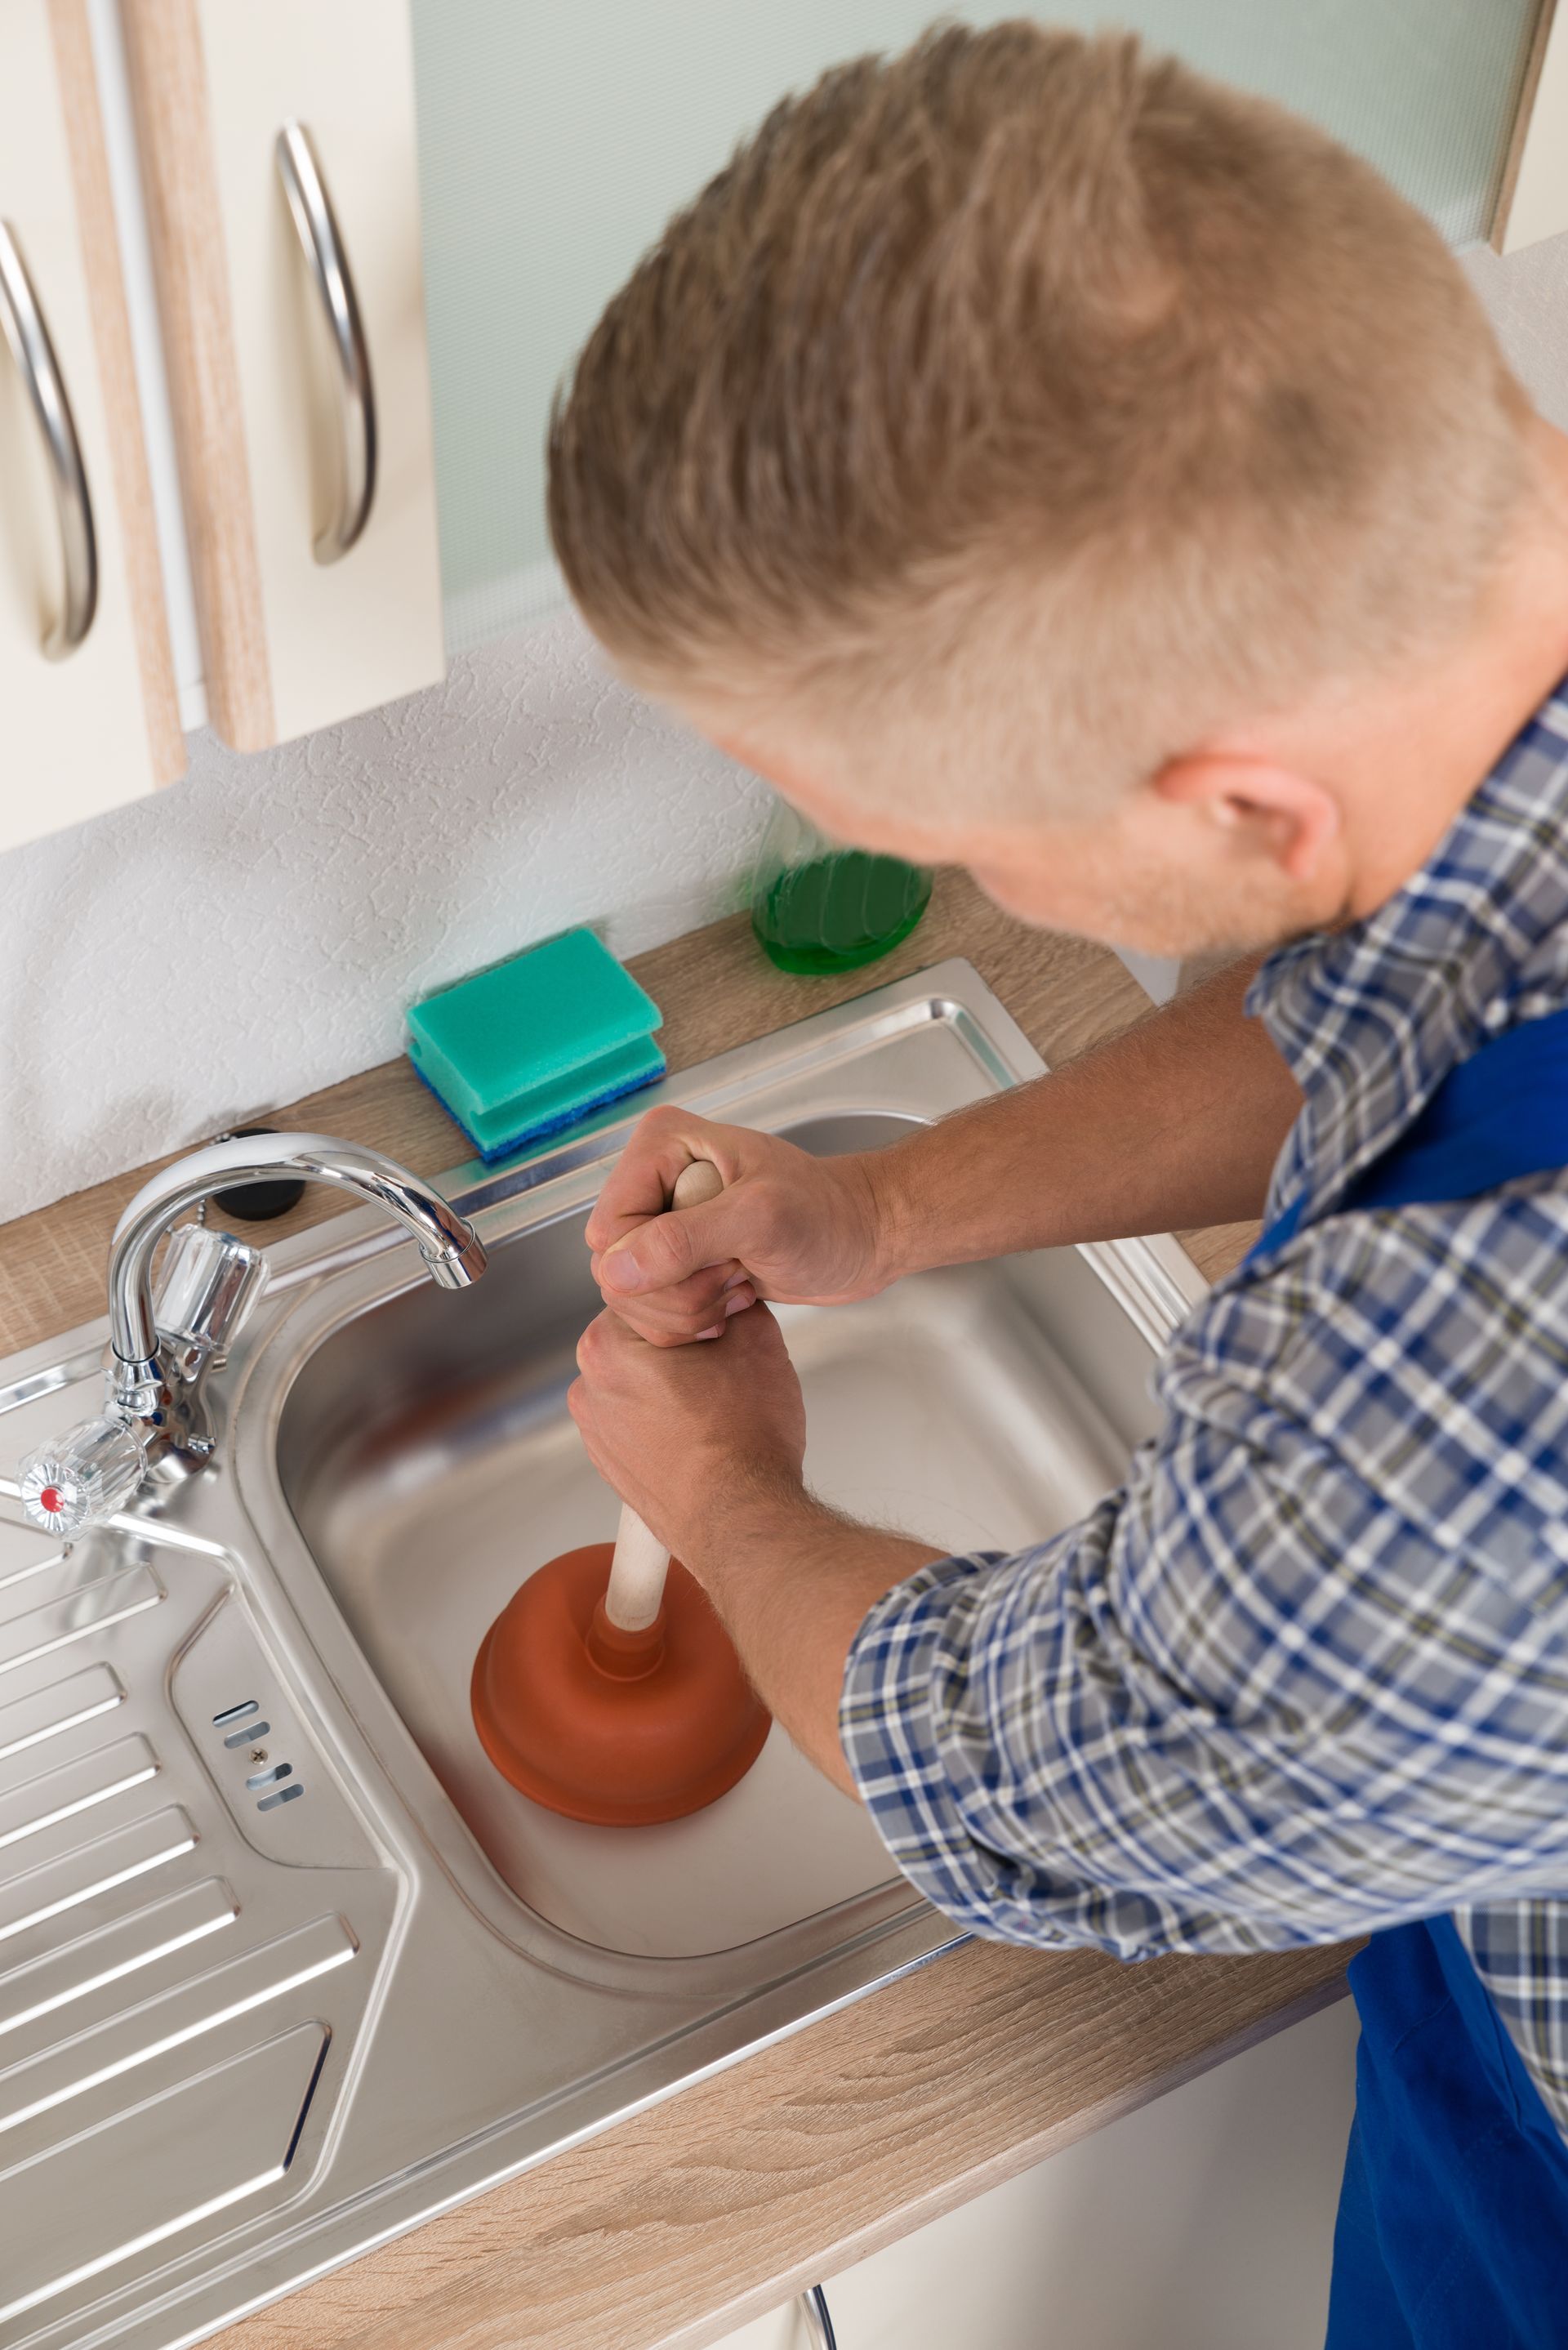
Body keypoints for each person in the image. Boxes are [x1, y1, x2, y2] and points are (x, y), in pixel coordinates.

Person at [548, 25, 1568, 2345]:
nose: (961, 874)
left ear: (1241, 809)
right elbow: (1407, 985)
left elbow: (1033, 1791)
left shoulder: (1460, 1394)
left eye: (965, 850)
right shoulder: (1495, 595)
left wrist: (722, 1502)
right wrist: (884, 1212)